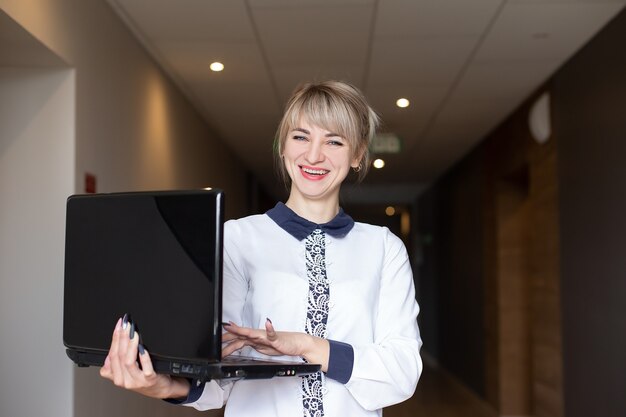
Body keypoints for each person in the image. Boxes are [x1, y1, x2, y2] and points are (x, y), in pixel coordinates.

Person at [100, 80, 423, 417]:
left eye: (334, 141)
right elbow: (218, 371)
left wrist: (309, 346)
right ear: (282, 145)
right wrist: (160, 385)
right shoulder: (236, 239)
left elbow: (401, 371)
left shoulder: (384, 248)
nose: (314, 155)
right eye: (301, 137)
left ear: (357, 155)